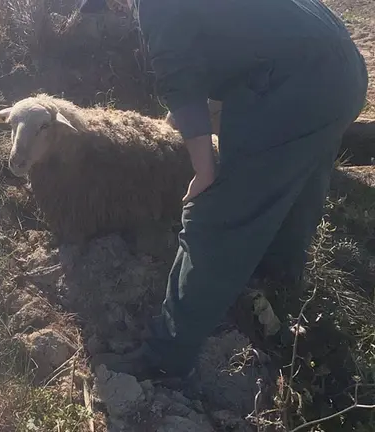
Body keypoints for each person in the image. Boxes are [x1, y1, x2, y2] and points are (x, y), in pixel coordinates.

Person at [81, 0, 369, 382]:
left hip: (295, 85)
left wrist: (203, 168)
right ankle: (276, 284)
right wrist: (181, 126)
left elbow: (178, 74)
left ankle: (166, 356)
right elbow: (238, 45)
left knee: (215, 217)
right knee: (300, 185)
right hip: (343, 71)